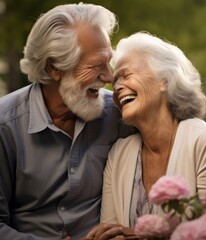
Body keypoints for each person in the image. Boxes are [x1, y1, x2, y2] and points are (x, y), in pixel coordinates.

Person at [0, 3, 136, 239]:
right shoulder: (5, 126)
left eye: (108, 62)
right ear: (54, 68)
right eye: (96, 66)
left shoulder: (118, 113)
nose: (109, 77)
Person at [85, 32, 206, 239]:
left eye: (126, 75)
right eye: (116, 81)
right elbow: (111, 234)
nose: (117, 87)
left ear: (164, 80)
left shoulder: (205, 141)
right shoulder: (118, 153)